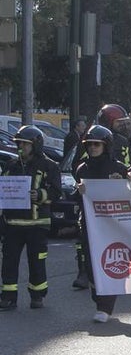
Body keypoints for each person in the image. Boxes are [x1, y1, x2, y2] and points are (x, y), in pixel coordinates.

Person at [0, 127, 62, 311]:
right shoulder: (11, 166)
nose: (21, 147)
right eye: (19, 143)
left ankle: (37, 296)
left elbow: (56, 192)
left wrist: (40, 194)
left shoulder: (49, 166)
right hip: (12, 224)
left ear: (35, 145)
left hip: (37, 224)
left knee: (37, 262)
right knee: (9, 263)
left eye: (25, 144)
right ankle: (8, 298)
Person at [73, 125, 131, 323]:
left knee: (109, 262)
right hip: (89, 225)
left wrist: (125, 180)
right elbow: (80, 200)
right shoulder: (82, 168)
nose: (92, 148)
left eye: (96, 144)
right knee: (90, 265)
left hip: (113, 226)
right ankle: (98, 298)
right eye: (89, 145)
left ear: (106, 146)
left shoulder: (118, 168)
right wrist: (79, 192)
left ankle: (105, 306)